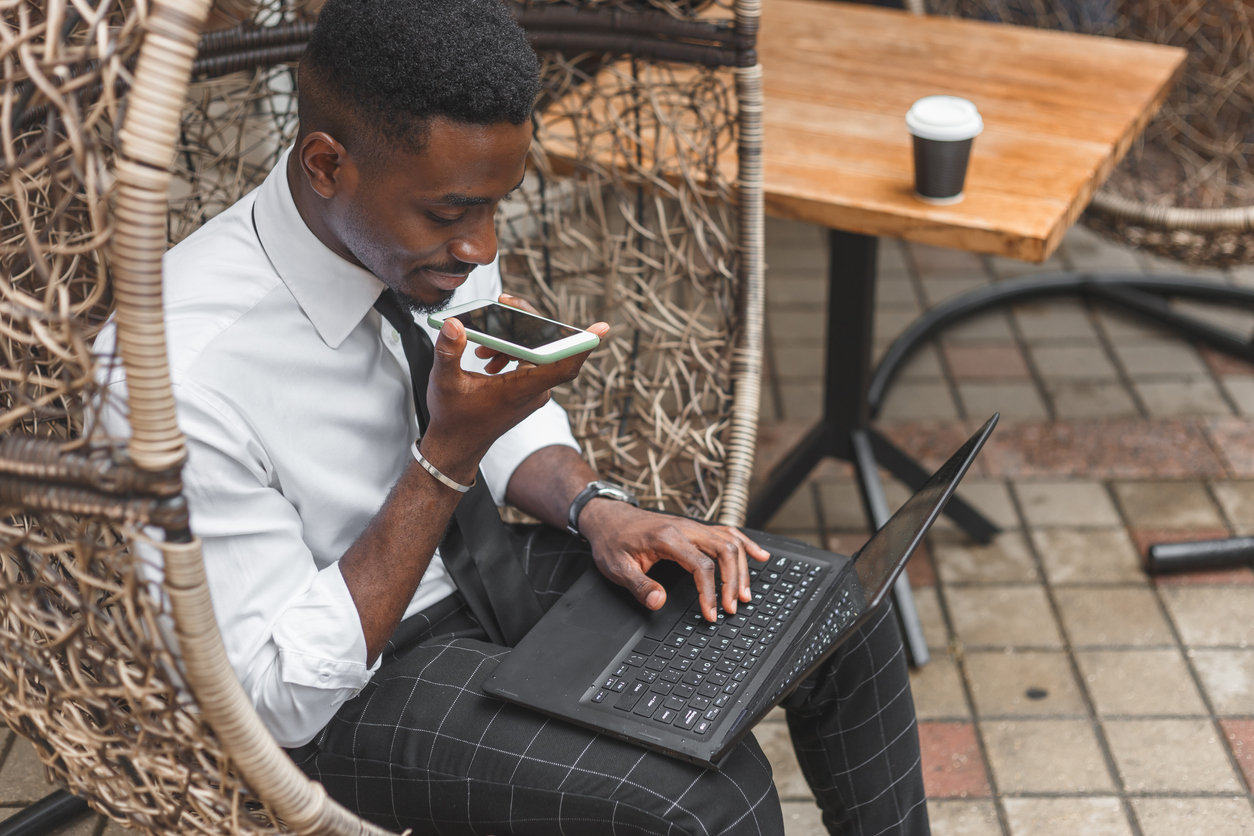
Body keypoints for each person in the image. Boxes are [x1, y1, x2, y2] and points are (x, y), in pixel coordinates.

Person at [97, 0, 929, 833]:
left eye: (498, 206)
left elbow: (503, 410)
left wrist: (596, 509)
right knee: (708, 799)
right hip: (350, 684)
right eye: (453, 213)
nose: (483, 249)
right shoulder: (178, 373)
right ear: (326, 164)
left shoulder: (419, 244)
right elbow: (278, 696)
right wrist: (447, 455)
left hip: (483, 569)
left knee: (837, 609)